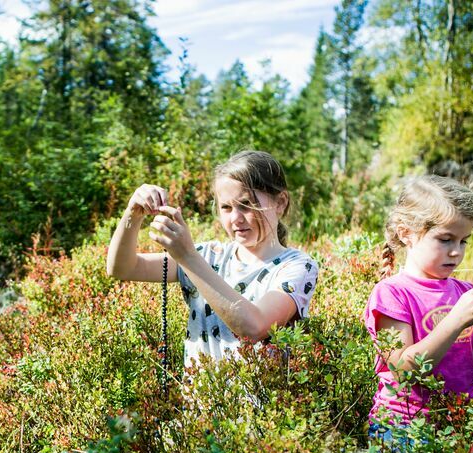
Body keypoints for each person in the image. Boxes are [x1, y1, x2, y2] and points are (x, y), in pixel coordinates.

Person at [106, 150, 318, 367]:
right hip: (198, 401)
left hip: (261, 401)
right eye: (226, 207)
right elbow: (122, 267)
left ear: (280, 202)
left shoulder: (297, 267)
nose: (235, 218)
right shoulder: (207, 256)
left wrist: (187, 257)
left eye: (246, 205)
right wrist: (133, 213)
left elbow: (254, 328)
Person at [363, 175, 473, 437]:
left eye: (463, 240)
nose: (456, 251)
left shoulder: (465, 292)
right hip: (402, 426)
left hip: (461, 422)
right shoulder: (391, 293)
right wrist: (455, 320)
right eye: (445, 239)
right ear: (406, 233)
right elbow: (402, 370)